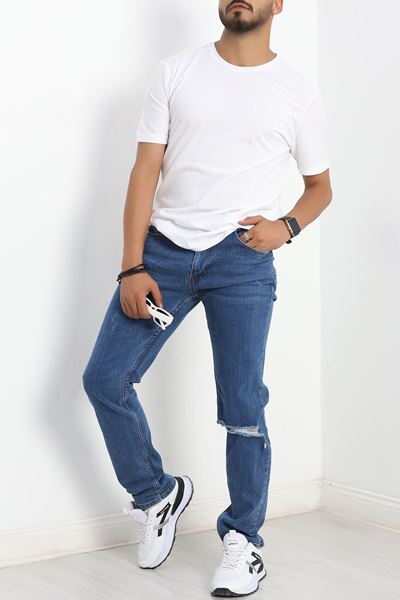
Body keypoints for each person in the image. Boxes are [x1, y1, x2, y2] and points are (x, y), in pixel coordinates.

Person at [82, 0, 332, 596]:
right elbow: (145, 170)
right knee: (105, 380)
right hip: (163, 255)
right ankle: (156, 494)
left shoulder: (298, 92)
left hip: (240, 261)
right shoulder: (176, 72)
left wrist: (286, 226)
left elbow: (320, 187)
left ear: (278, 4)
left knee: (242, 404)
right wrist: (132, 265)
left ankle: (243, 540)